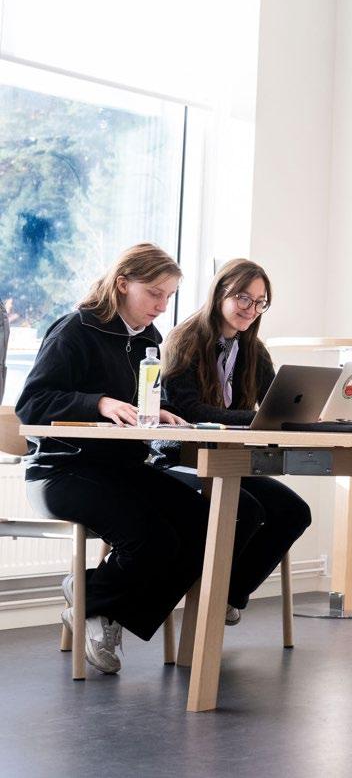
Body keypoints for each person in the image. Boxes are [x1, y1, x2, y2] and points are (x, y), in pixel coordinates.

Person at [16, 243, 208, 674]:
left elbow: (138, 403)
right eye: (154, 293)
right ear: (122, 284)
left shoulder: (149, 340)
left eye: (169, 297)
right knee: (151, 536)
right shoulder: (75, 330)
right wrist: (98, 402)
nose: (161, 306)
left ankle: (96, 601)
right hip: (61, 470)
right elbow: (32, 404)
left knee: (202, 523)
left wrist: (155, 411)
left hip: (119, 468)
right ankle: (97, 604)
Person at [161, 258, 311, 625]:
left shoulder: (254, 350)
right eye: (243, 298)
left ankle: (227, 595)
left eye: (260, 302)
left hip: (229, 462)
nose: (251, 309)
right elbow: (192, 411)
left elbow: (274, 405)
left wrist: (301, 416)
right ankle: (204, 595)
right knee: (248, 510)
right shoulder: (184, 340)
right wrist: (257, 420)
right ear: (219, 294)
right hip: (181, 460)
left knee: (293, 512)